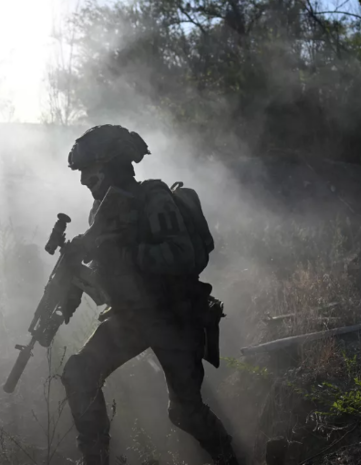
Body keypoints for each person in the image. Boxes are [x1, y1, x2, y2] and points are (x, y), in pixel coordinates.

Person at [59, 124, 238, 465]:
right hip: (131, 316)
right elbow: (109, 273)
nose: (83, 181)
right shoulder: (101, 211)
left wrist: (127, 255)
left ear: (112, 165)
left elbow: (182, 254)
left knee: (185, 412)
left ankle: (230, 458)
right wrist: (77, 282)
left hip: (174, 314)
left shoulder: (153, 198)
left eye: (89, 172)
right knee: (80, 373)